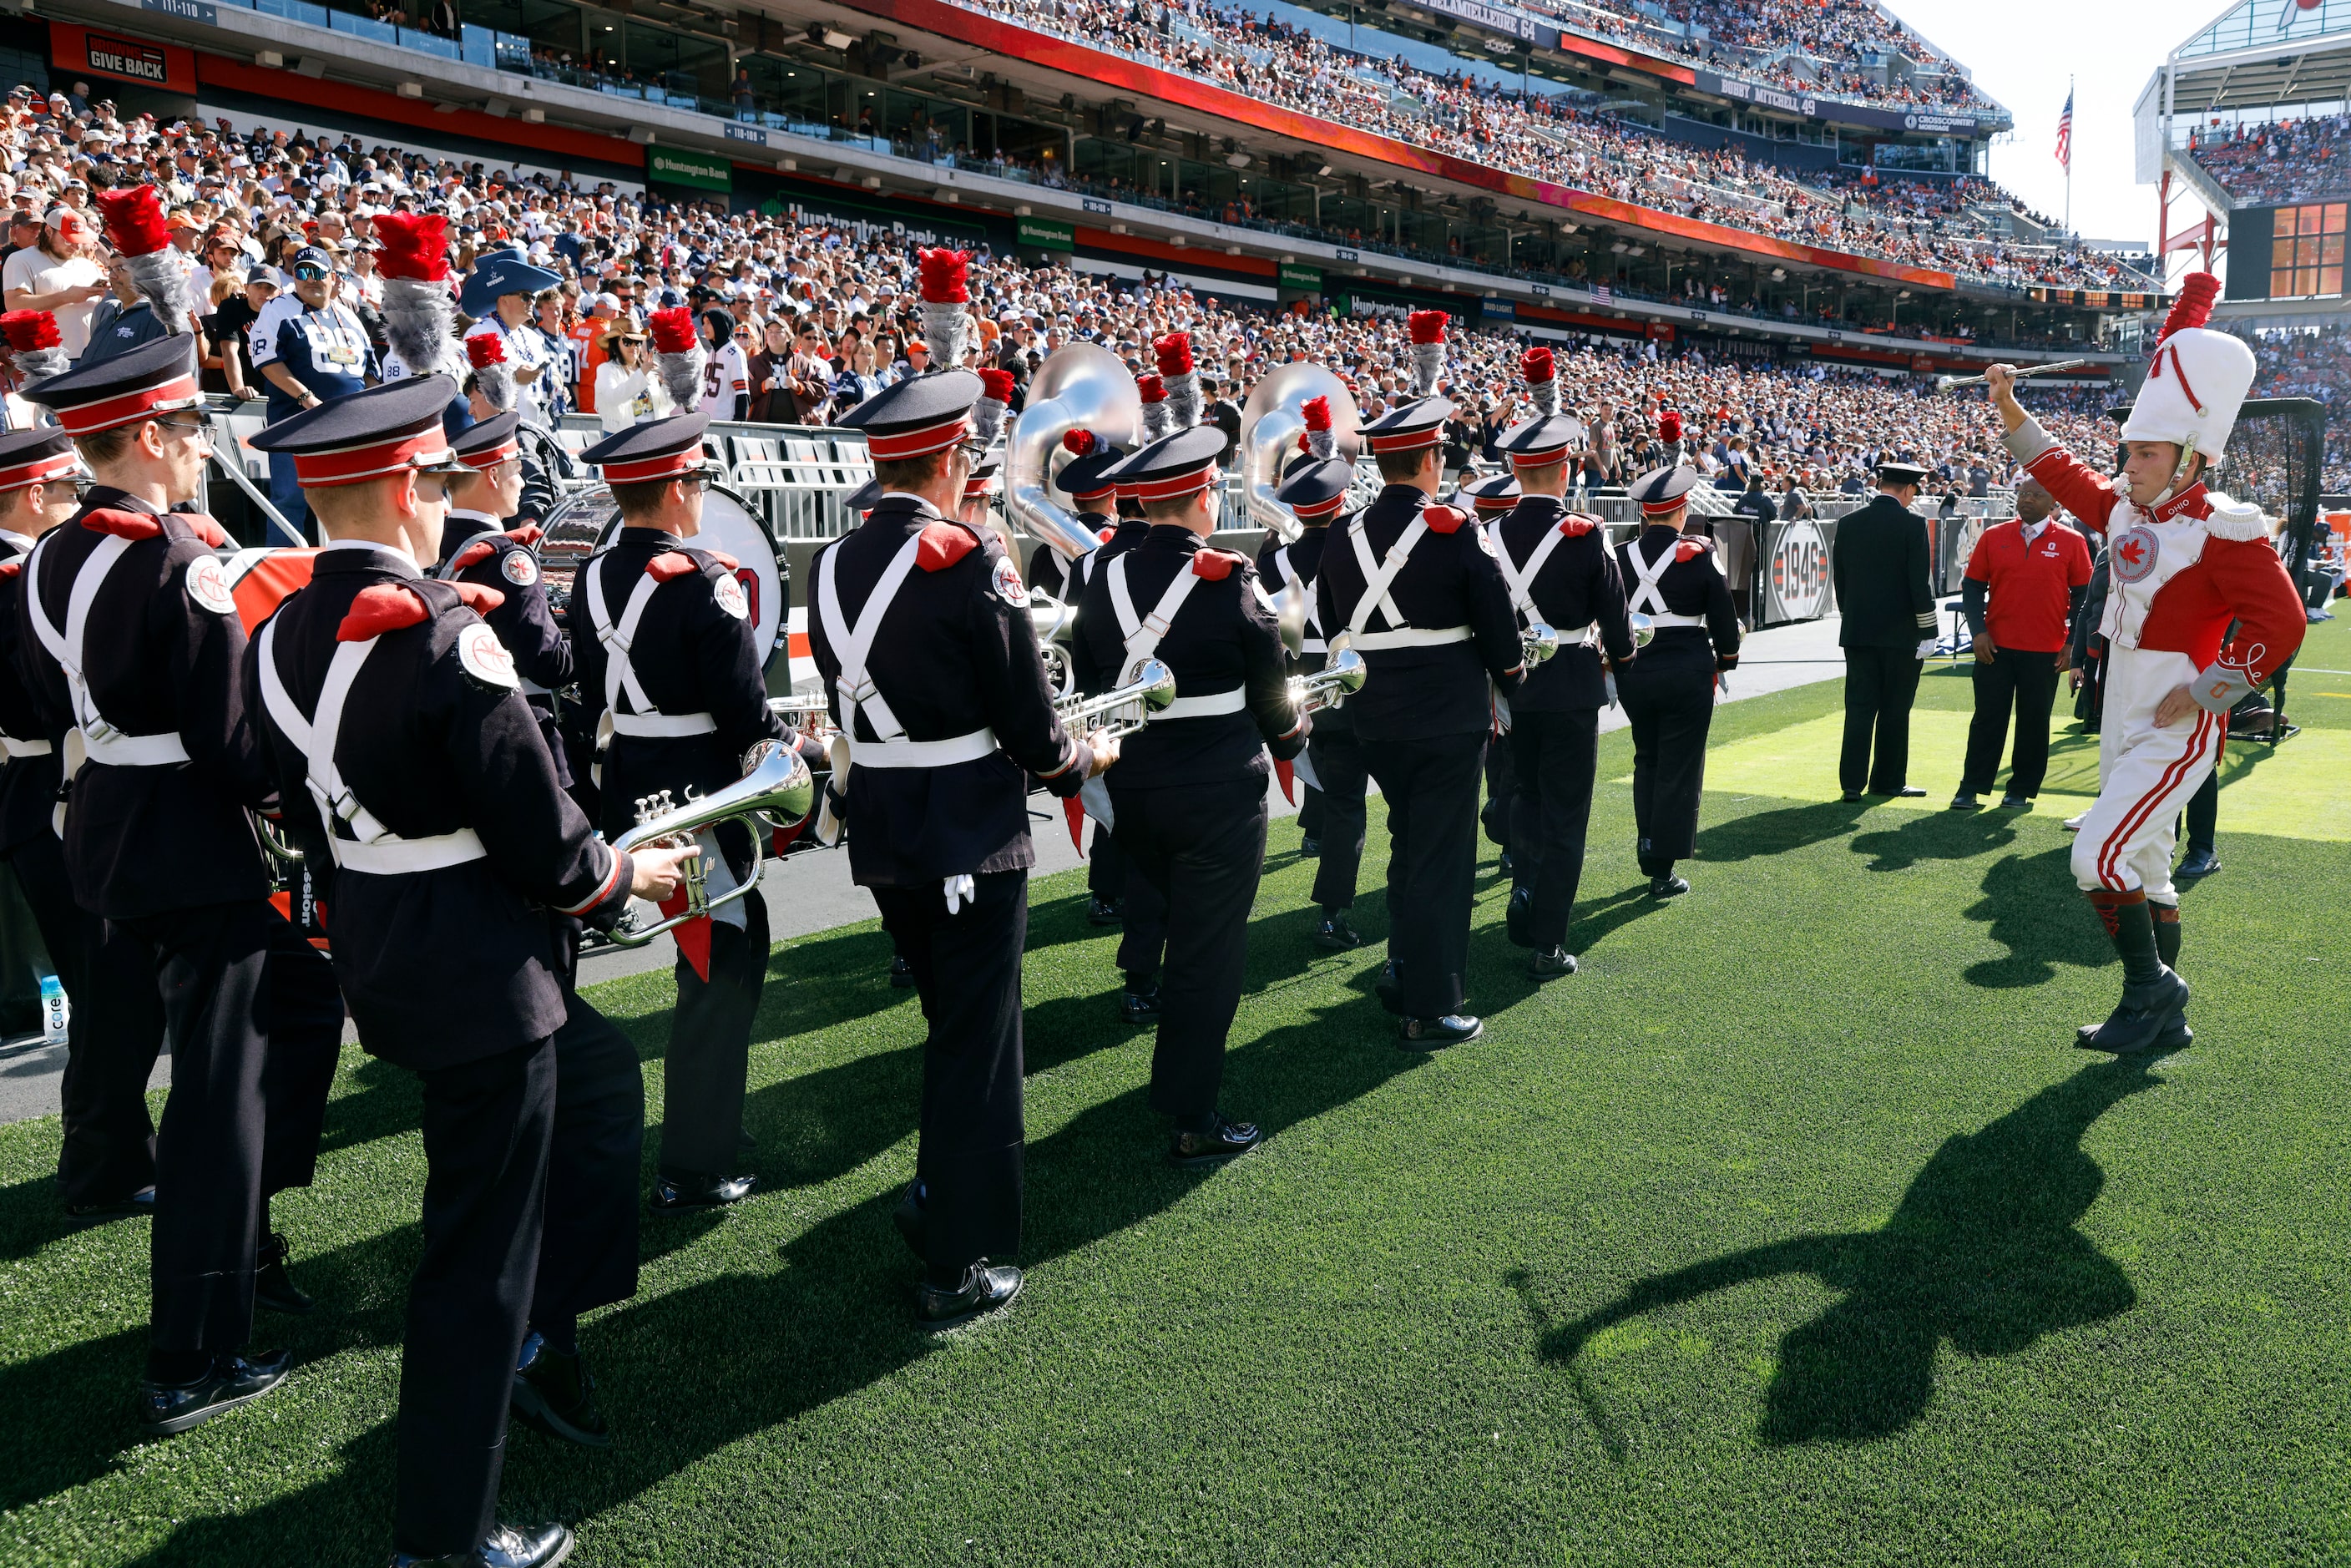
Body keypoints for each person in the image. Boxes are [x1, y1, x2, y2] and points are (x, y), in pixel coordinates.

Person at [244, 375, 693, 1568]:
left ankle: (548, 1346)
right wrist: (623, 881)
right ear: (404, 487)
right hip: (485, 974)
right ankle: (445, 1534)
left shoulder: (277, 627)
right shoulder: (448, 633)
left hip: (388, 956)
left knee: (574, 1122)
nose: (448, 501)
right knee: (475, 1264)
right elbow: (548, 844)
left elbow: (277, 786)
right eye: (440, 480)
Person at [15, 336, 342, 1434]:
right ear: (150, 437)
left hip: (111, 827)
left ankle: (247, 1229)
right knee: (217, 1097)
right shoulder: (178, 560)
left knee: (299, 1006)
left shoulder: (55, 551)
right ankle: (193, 1354)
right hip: (189, 842)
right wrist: (315, 794)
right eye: (193, 429)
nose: (205, 445)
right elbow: (233, 739)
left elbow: (42, 696)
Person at [823, 361, 1113, 1328]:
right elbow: (1029, 722)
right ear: (951, 459)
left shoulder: (829, 561)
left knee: (954, 1033)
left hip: (887, 831)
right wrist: (1080, 761)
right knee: (977, 1049)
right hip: (968, 834)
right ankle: (955, 1256)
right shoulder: (967, 558)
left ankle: (937, 1205)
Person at [1984, 273, 2305, 1055]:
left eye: (2147, 452)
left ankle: (2153, 989)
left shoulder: (2227, 529)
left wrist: (2208, 691)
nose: (2130, 462)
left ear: (2191, 458)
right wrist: (2008, 407)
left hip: (2174, 709)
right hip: (2123, 692)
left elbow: (2284, 621)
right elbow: (2060, 473)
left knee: (2096, 855)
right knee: (2149, 867)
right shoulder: (2129, 504)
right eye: (2128, 449)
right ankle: (2160, 1018)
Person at [572, 411, 786, 1210]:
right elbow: (744, 711)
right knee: (720, 965)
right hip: (698, 796)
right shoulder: (705, 579)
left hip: (633, 782)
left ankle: (711, 1129)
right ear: (674, 487)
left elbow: (586, 695)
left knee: (708, 959)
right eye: (696, 481)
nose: (701, 495)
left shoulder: (591, 577)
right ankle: (694, 1162)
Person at [1079, 422, 1306, 1165]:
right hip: (1216, 798)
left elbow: (1088, 682)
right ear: (1202, 496)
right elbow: (1274, 694)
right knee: (1209, 956)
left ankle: (1169, 1071)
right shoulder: (1228, 576)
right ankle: (1193, 1113)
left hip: (1135, 792)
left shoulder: (1101, 576)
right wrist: (1296, 732)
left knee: (1174, 929)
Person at [1311, 312, 1524, 1048]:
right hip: (1446, 714)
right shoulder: (1454, 529)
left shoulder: (1340, 533)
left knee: (1410, 845)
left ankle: (1405, 967)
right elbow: (1495, 619)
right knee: (1441, 859)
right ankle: (1429, 1006)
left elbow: (1334, 618)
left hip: (1376, 715)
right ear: (1429, 461)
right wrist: (1513, 672)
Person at [0, 426, 164, 1214]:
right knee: (107, 993)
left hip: (40, 789)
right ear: (37, 495)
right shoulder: (16, 577)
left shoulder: (22, 575)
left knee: (112, 988)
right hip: (50, 790)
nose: (76, 506)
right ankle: (104, 1170)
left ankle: (112, 1157)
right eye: (67, 492)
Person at [1490, 380, 1635, 979]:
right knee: (1567, 814)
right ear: (1567, 468)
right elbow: (1617, 622)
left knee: (1524, 798)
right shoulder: (1585, 535)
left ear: (1518, 471)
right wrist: (1623, 665)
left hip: (1512, 686)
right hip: (1572, 686)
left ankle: (1524, 890)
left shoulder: (1488, 534)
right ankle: (1548, 941)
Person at [1267, 402, 1369, 949]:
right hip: (1348, 688)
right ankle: (1331, 913)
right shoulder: (1358, 553)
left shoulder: (1269, 558)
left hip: (1292, 691)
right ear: (1340, 502)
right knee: (1350, 804)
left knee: (1330, 796)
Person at [1614, 465, 1741, 897]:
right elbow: (1724, 614)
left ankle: (1649, 841)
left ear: (1647, 514)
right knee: (1679, 767)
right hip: (1687, 670)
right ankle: (1662, 869)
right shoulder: (1701, 553)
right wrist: (1727, 659)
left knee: (1646, 758)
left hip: (1636, 669)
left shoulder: (1619, 553)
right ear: (1682, 511)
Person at [435, 410, 574, 786]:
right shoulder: (509, 557)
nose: (523, 480)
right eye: (517, 469)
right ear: (493, 475)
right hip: (522, 730)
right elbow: (546, 663)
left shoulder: (434, 545)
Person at [1951, 477, 2091, 812]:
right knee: (1987, 717)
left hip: (2045, 650)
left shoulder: (2072, 541)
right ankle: (1971, 787)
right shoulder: (1994, 537)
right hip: (1995, 648)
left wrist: (2072, 643)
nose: (2027, 499)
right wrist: (1978, 631)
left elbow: (2084, 596)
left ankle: (2021, 789)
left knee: (2034, 720)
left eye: (2036, 495)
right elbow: (1971, 588)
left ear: (2053, 500)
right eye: (2023, 494)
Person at [250, 245, 378, 537]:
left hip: (348, 427)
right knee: (291, 498)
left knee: (351, 498)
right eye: (301, 272)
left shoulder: (350, 317)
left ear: (332, 277)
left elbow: (370, 373)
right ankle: (283, 574)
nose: (310, 279)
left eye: (317, 272)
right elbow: (267, 361)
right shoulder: (278, 308)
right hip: (296, 424)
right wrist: (307, 399)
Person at [1832, 458, 1938, 801]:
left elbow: (1841, 582)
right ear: (1908, 489)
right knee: (1895, 708)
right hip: (1901, 633)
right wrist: (1929, 630)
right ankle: (1888, 781)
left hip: (1859, 631)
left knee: (1859, 708)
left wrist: (1854, 616)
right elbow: (1919, 583)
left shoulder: (1848, 523)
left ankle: (1851, 783)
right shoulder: (1914, 524)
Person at [461, 252, 562, 426]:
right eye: (525, 296)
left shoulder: (534, 337)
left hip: (538, 430)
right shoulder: (479, 334)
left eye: (532, 297)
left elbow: (549, 376)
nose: (531, 302)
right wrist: (514, 379)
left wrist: (556, 384)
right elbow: (473, 391)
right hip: (503, 433)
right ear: (504, 301)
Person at [1, 208, 106, 358]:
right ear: (49, 231)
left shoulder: (88, 265)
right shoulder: (21, 259)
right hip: (48, 361)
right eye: (68, 239)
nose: (76, 246)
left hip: (90, 357)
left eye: (79, 240)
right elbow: (14, 305)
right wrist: (66, 297)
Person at [594, 321, 663, 432]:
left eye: (638, 342)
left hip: (650, 435)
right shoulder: (605, 369)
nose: (634, 347)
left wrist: (668, 385)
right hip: (619, 437)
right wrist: (641, 374)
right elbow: (613, 398)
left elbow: (664, 406)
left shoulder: (648, 371)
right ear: (615, 344)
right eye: (627, 342)